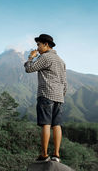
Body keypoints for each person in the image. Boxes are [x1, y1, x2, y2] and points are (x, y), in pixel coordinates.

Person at [24, 34, 67, 163]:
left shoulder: (45, 57)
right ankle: (56, 155)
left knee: (46, 125)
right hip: (59, 96)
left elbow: (29, 69)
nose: (37, 47)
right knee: (57, 125)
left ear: (46, 45)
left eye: (39, 45)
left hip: (46, 94)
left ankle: (44, 155)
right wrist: (61, 94)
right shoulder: (61, 60)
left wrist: (30, 57)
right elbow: (65, 82)